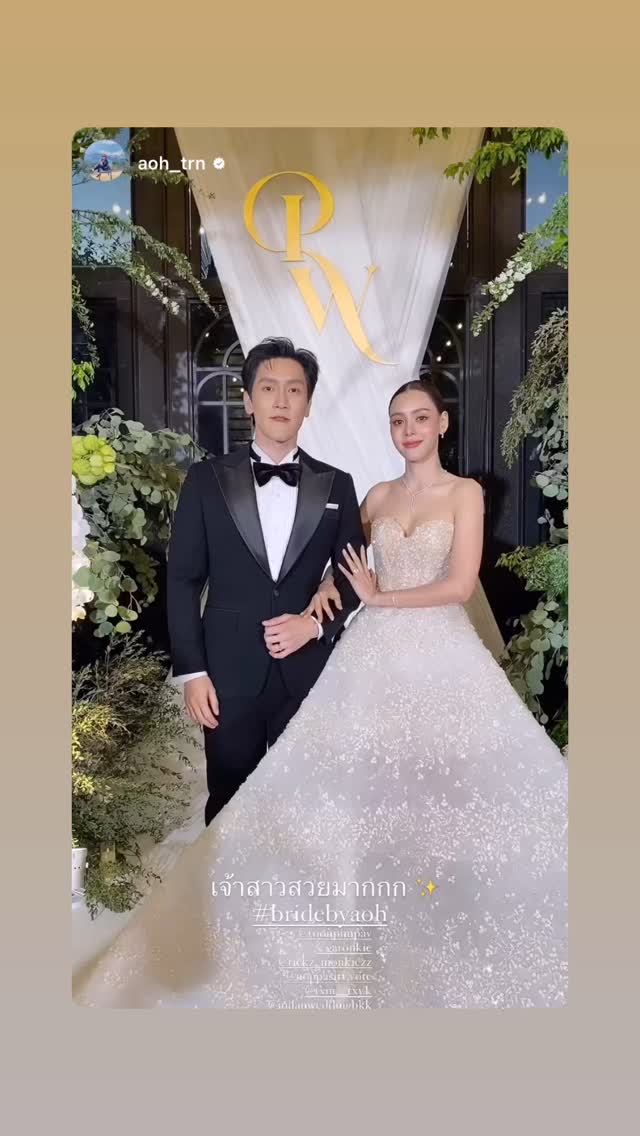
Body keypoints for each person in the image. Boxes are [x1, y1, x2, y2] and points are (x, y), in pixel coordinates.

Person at [72, 378, 567, 1009]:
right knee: (356, 792)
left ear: (443, 424)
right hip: (373, 653)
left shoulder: (464, 493)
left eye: (420, 418)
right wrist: (315, 611)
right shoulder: (375, 495)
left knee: (441, 793)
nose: (409, 430)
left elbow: (460, 583)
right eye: (397, 420)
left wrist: (380, 598)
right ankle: (334, 929)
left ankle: (436, 921)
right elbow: (335, 568)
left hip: (441, 654)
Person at [167, 336, 364, 825]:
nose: (281, 400)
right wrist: (192, 673)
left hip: (308, 672)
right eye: (269, 388)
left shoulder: (337, 483)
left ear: (308, 404)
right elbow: (183, 581)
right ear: (248, 400)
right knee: (229, 808)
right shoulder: (205, 480)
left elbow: (354, 576)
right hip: (227, 674)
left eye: (294, 390)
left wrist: (313, 626)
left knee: (308, 810)